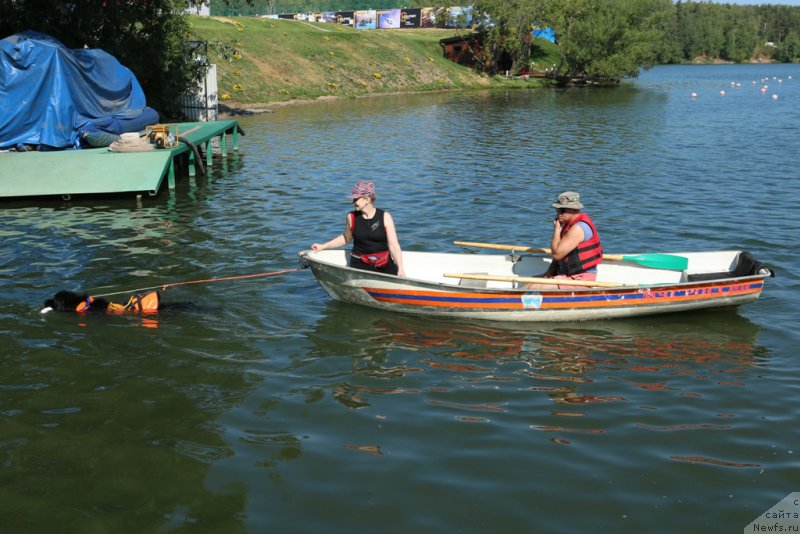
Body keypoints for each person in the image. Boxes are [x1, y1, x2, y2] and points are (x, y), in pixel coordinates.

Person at [311, 181, 405, 277]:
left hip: (384, 263)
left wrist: (400, 269)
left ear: (367, 199)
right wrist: (323, 246)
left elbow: (394, 246)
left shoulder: (385, 217)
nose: (353, 202)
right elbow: (346, 238)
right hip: (359, 264)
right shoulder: (351, 217)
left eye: (356, 199)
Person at [525, 191, 602, 289]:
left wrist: (557, 230)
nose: (558, 213)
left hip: (579, 279)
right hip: (566, 275)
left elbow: (557, 254)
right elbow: (558, 259)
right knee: (529, 282)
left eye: (562, 210)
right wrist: (548, 274)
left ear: (574, 210)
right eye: (557, 209)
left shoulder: (578, 228)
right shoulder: (568, 225)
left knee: (535, 287)